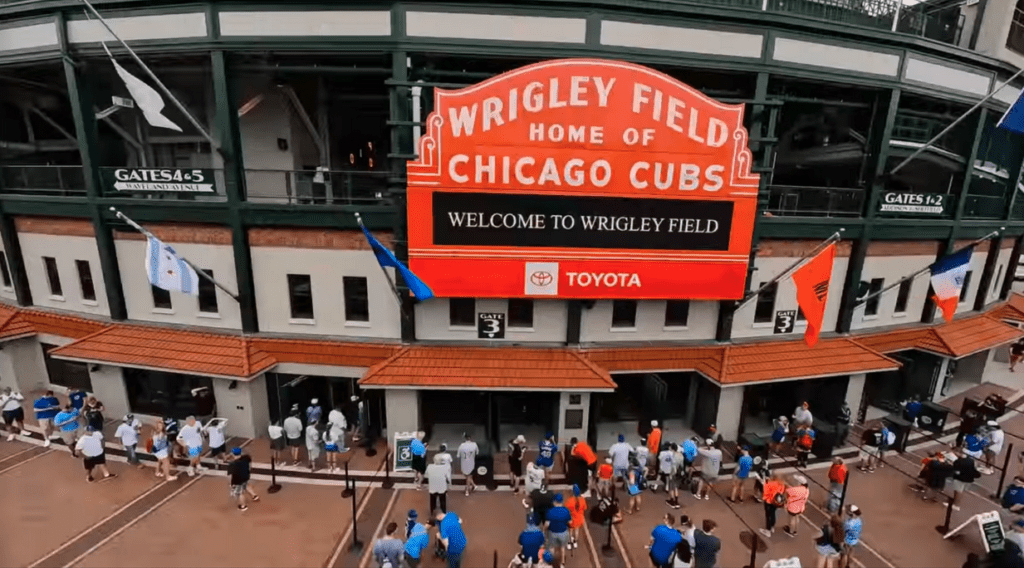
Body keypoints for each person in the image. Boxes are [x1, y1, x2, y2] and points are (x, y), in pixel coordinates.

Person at [227, 447, 259, 511]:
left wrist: (231, 484)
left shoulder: (232, 464)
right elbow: (250, 465)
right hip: (246, 476)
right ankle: (254, 496)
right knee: (246, 485)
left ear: (233, 454)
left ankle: (243, 506)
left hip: (238, 480)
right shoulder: (246, 457)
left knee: (240, 493)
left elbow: (230, 475)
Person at [545, 493, 572, 561]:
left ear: (554, 502)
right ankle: (562, 562)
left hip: (552, 533)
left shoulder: (550, 511)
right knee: (562, 548)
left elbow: (547, 524)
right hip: (563, 532)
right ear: (562, 502)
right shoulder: (566, 511)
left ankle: (551, 562)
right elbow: (570, 522)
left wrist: (544, 530)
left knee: (552, 547)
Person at [759, 473, 787, 539]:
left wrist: (764, 483)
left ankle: (767, 530)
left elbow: (765, 492)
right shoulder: (782, 484)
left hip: (768, 501)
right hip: (775, 502)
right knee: (773, 514)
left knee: (768, 516)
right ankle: (772, 527)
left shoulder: (770, 484)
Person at [565, 484, 587, 551]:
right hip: (579, 519)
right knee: (576, 530)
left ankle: (569, 543)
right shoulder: (582, 500)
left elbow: (566, 510)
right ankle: (575, 542)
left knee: (570, 531)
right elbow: (585, 508)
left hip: (572, 520)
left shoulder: (570, 500)